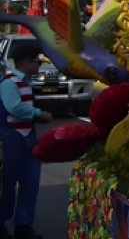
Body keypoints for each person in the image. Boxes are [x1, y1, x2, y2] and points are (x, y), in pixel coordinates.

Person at [0, 42, 51, 239]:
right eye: (37, 61)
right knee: (7, 184)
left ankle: (23, 225)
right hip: (10, 139)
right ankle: (2, 224)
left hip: (28, 137)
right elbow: (14, 107)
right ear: (27, 62)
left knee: (30, 182)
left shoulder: (27, 82)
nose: (39, 66)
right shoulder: (8, 83)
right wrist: (38, 113)